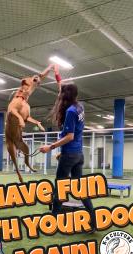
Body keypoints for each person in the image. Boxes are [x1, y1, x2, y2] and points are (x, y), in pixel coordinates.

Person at [39, 83, 95, 231]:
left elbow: (69, 136)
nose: (58, 96)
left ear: (65, 96)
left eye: (61, 94)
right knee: (80, 189)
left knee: (60, 188)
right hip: (78, 154)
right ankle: (94, 222)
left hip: (70, 154)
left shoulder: (70, 111)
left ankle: (53, 220)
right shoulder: (79, 106)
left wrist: (50, 147)